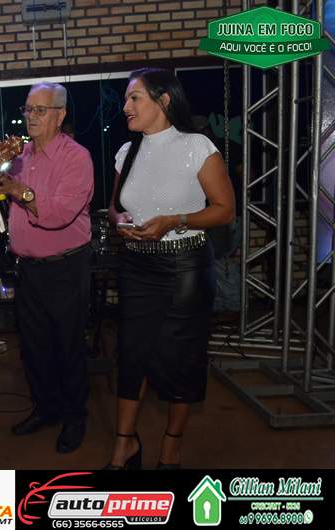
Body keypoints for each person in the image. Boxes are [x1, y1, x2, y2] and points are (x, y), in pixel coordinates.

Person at [105, 68, 235, 469]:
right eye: (125, 99)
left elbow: (224, 210)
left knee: (181, 359)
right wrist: (120, 222)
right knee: (132, 354)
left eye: (134, 98)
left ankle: (171, 447)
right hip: (136, 266)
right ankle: (124, 446)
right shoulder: (126, 153)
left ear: (164, 100)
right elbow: (115, 207)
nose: (125, 106)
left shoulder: (196, 146)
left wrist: (175, 221)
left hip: (185, 268)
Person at [0, 82, 95, 454]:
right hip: (28, 268)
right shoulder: (21, 155)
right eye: (28, 109)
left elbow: (58, 214)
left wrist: (18, 191)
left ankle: (74, 416)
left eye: (40, 110)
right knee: (34, 347)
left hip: (64, 268)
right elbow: (4, 190)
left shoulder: (76, 157)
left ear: (60, 114)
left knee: (68, 347)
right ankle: (46, 409)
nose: (30, 117)